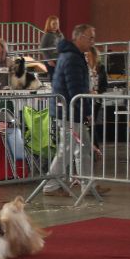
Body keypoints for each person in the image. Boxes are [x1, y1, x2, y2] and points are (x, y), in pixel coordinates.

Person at [43, 24, 100, 197]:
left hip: (69, 110)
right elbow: (76, 89)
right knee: (69, 149)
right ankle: (51, 185)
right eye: (90, 38)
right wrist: (88, 111)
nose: (93, 41)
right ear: (80, 37)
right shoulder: (73, 58)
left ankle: (87, 185)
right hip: (69, 111)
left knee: (79, 148)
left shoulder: (71, 56)